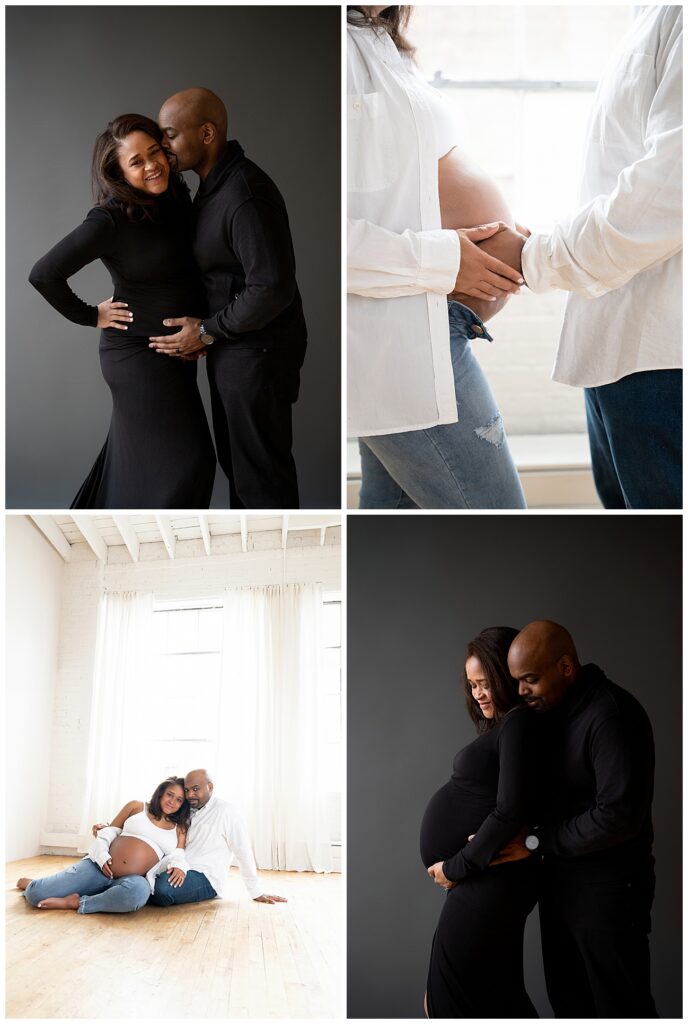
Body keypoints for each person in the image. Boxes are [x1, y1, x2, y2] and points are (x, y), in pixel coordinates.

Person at [348, 6, 530, 509]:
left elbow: (404, 192)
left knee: (396, 539)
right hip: (404, 337)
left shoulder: (381, 44)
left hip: (429, 324)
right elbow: (321, 238)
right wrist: (449, 257)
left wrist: (505, 230)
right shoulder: (333, 49)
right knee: (500, 530)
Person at [504, 7, 682, 509]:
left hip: (664, 361)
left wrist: (531, 257)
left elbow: (670, 190)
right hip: (618, 348)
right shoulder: (648, 14)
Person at [29, 114, 216, 509]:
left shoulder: (175, 197)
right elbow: (44, 274)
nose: (152, 165)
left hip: (177, 355)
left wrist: (203, 330)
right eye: (136, 162)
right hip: (136, 358)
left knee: (149, 469)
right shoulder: (110, 219)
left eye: (154, 152)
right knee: (186, 465)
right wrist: (90, 314)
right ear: (118, 171)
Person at [151, 88, 308, 510]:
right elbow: (228, 277)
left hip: (258, 355)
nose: (163, 147)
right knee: (241, 471)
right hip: (236, 349)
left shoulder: (244, 195)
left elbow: (271, 288)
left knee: (260, 481)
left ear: (206, 133)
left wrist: (205, 331)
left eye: (169, 135)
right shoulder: (212, 188)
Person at [508, 621, 657, 1018]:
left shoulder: (611, 715)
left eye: (530, 679)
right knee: (570, 1007)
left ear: (566, 668)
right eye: (516, 681)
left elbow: (618, 816)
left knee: (619, 1009)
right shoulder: (554, 714)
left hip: (608, 896)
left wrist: (539, 841)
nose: (520, 691)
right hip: (562, 890)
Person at [420, 627, 539, 1017]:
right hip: (482, 883)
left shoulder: (519, 723)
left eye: (486, 683)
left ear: (506, 677)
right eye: (472, 685)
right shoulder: (508, 727)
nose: (479, 694)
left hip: (487, 882)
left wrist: (457, 866)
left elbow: (510, 811)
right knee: (489, 998)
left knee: (454, 1003)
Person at [17, 778, 190, 914]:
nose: (172, 801)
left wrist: (180, 867)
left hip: (132, 879)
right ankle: (35, 884)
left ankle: (76, 902)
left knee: (137, 895)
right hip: (98, 868)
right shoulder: (136, 806)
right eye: (169, 794)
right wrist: (102, 857)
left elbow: (178, 855)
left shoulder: (179, 827)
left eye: (179, 799)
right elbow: (108, 833)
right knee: (35, 896)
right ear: (160, 793)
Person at [147, 769, 287, 907]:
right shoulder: (185, 811)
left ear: (210, 786)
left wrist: (256, 892)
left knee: (162, 889)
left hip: (206, 877)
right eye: (187, 790)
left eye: (196, 789)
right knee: (146, 876)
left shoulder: (227, 812)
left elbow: (243, 851)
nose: (190, 795)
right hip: (180, 866)